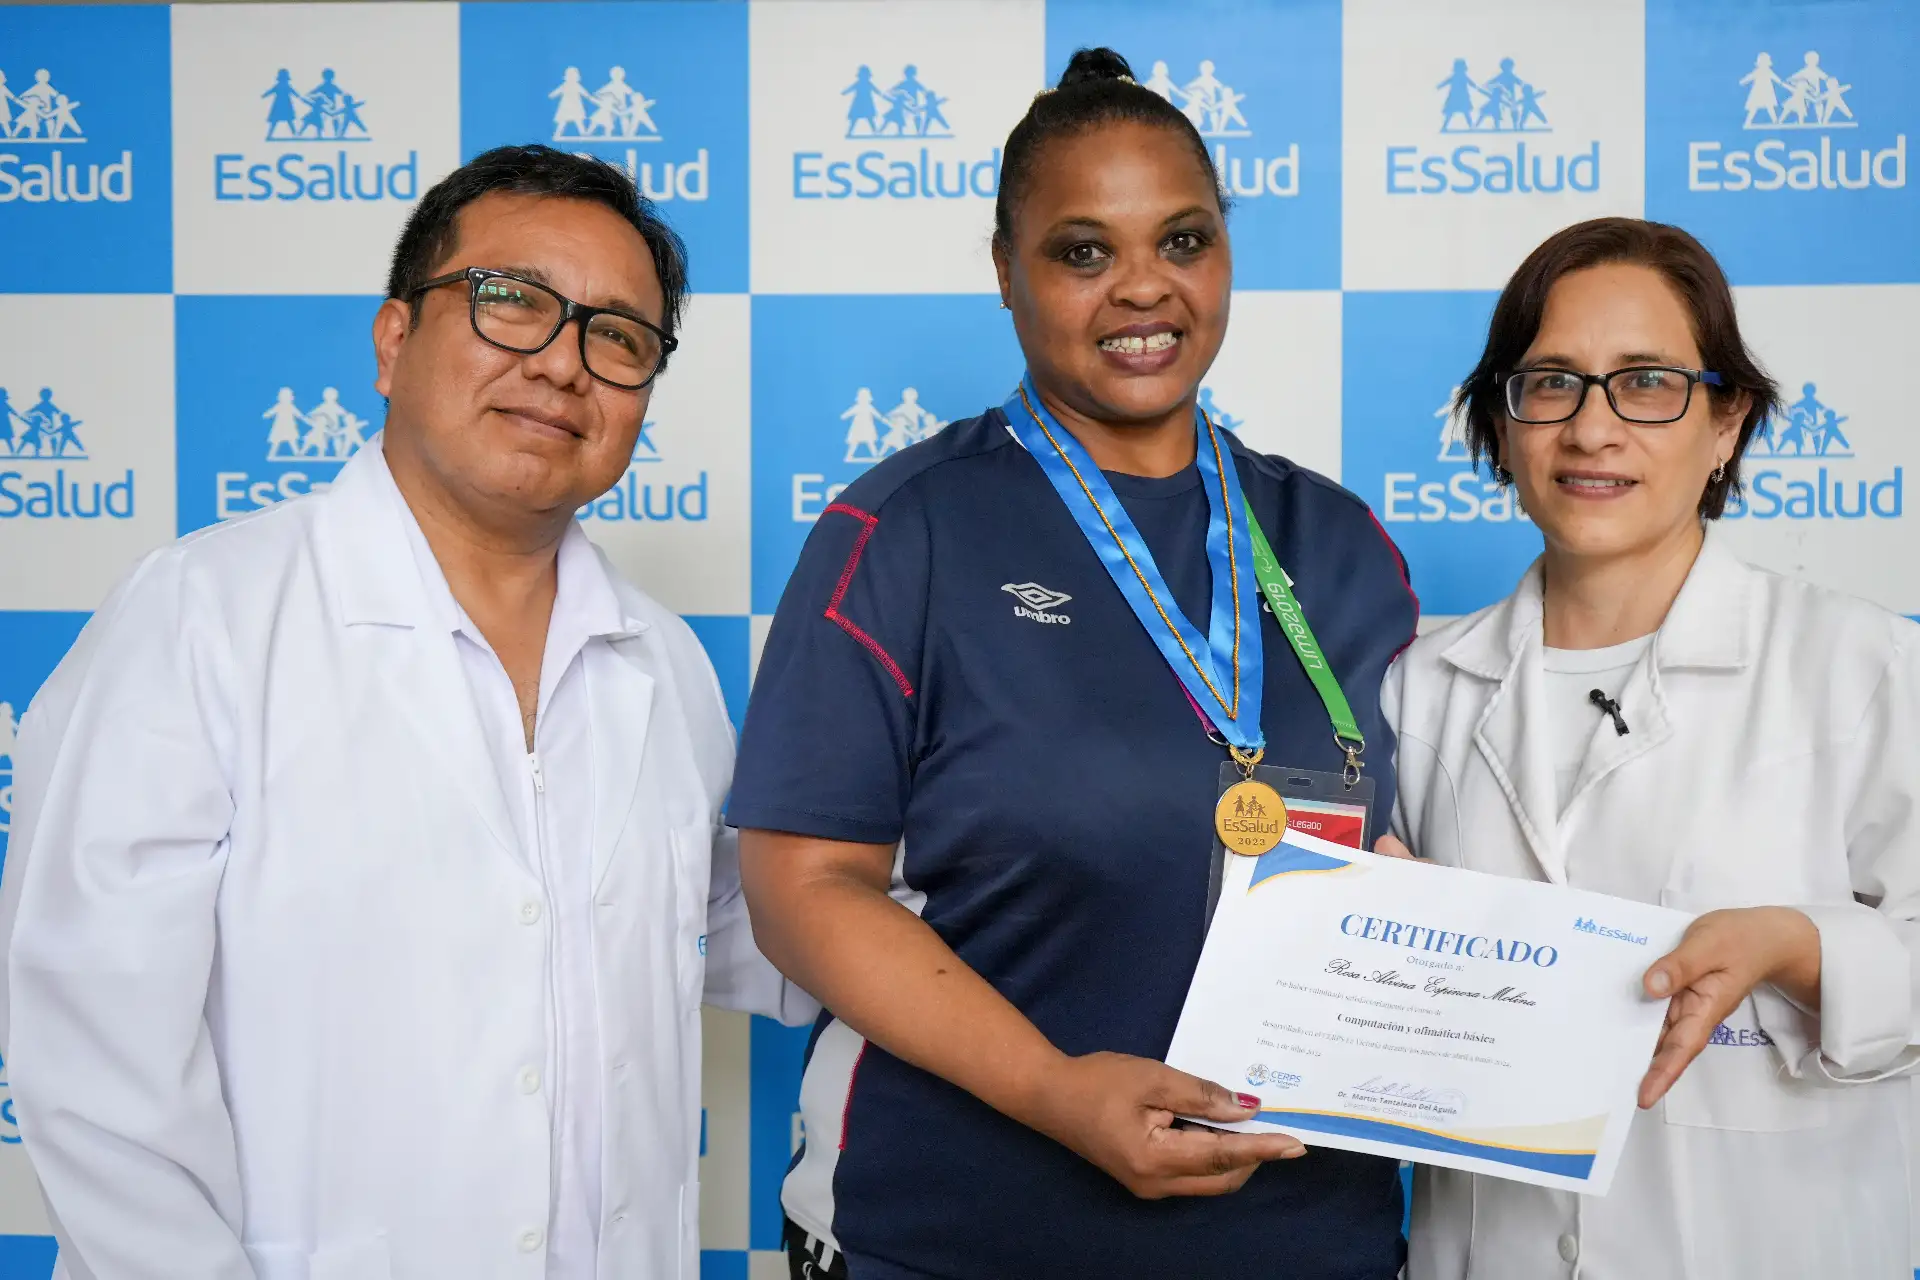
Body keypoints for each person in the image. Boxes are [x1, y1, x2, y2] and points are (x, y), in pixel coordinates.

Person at [0, 144, 814, 1280]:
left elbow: (752, 929)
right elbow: (93, 1070)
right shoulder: (202, 619)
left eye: (617, 336)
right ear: (394, 340)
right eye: (514, 302)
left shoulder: (660, 664)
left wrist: (1017, 861)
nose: (563, 365)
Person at [732, 48, 1419, 1280]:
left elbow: (1416, 862)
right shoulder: (905, 531)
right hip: (959, 1234)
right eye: (1084, 250)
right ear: (1006, 269)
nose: (1142, 288)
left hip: (1305, 1244)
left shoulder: (1342, 542)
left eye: (1185, 240)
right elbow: (803, 885)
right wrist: (1053, 1090)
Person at [1384, 216, 1920, 1280]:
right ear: (1503, 422)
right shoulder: (1421, 689)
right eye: (1551, 382)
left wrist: (1796, 945)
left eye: (1647, 383)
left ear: (1729, 421)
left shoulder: (1859, 666)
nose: (1592, 428)